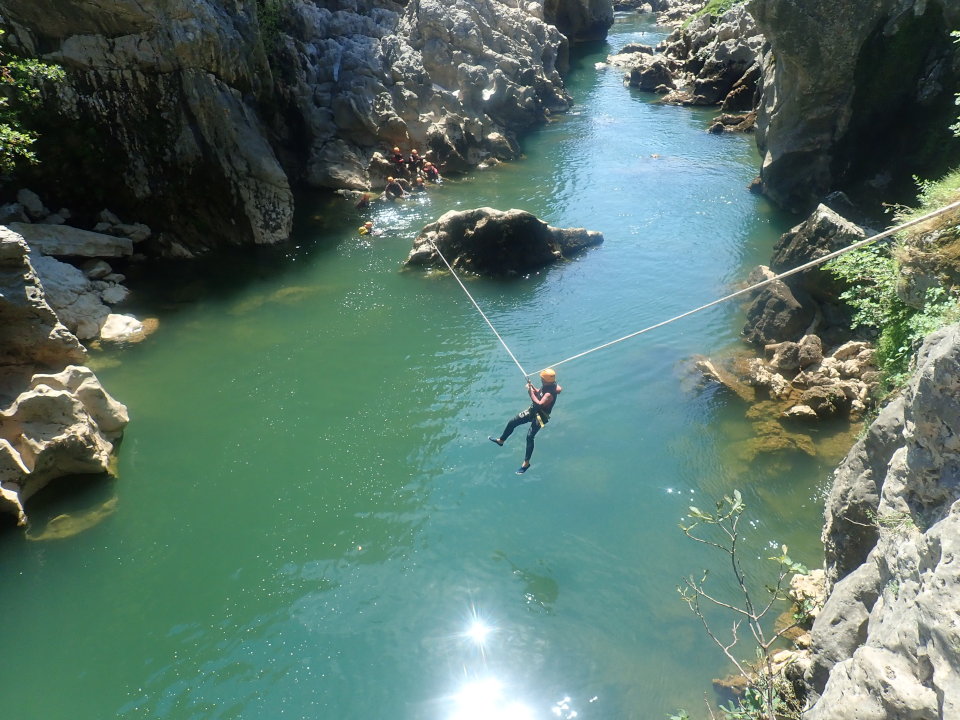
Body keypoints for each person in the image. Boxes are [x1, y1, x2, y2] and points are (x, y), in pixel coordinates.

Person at [489, 368, 561, 474]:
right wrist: (532, 387)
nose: (541, 380)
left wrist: (529, 392)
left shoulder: (549, 394)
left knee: (529, 437)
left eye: (542, 379)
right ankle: (501, 440)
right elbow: (538, 393)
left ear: (545, 380)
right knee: (512, 422)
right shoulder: (547, 386)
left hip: (541, 417)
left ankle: (526, 463)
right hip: (533, 411)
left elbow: (539, 404)